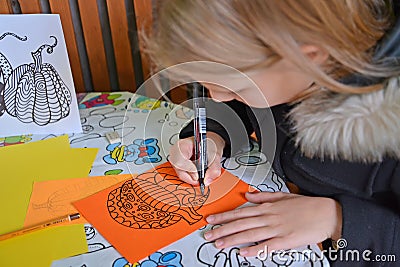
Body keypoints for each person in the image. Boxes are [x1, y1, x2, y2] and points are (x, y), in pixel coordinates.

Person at [144, 0, 400, 265]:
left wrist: (338, 220)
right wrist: (212, 137)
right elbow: (238, 108)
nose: (217, 99)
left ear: (309, 57)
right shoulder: (289, 68)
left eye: (235, 90)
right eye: (207, 86)